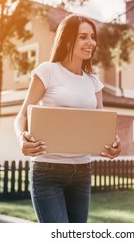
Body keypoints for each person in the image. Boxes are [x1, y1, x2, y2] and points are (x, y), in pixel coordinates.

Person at [14, 14, 121, 223]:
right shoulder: (48, 71)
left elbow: (101, 125)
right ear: (68, 39)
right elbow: (22, 115)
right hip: (47, 171)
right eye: (83, 37)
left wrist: (113, 143)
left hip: (82, 171)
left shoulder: (93, 82)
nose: (90, 42)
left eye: (92, 36)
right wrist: (21, 139)